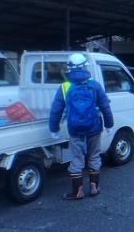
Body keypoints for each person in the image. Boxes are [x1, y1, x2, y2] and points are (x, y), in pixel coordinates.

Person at [49, 53, 114, 200]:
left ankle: (77, 191)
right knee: (94, 156)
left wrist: (54, 129)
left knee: (77, 158)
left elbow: (56, 110)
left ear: (69, 69)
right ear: (85, 66)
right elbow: (105, 107)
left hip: (75, 128)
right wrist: (109, 125)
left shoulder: (65, 87)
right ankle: (94, 187)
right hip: (94, 127)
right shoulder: (95, 85)